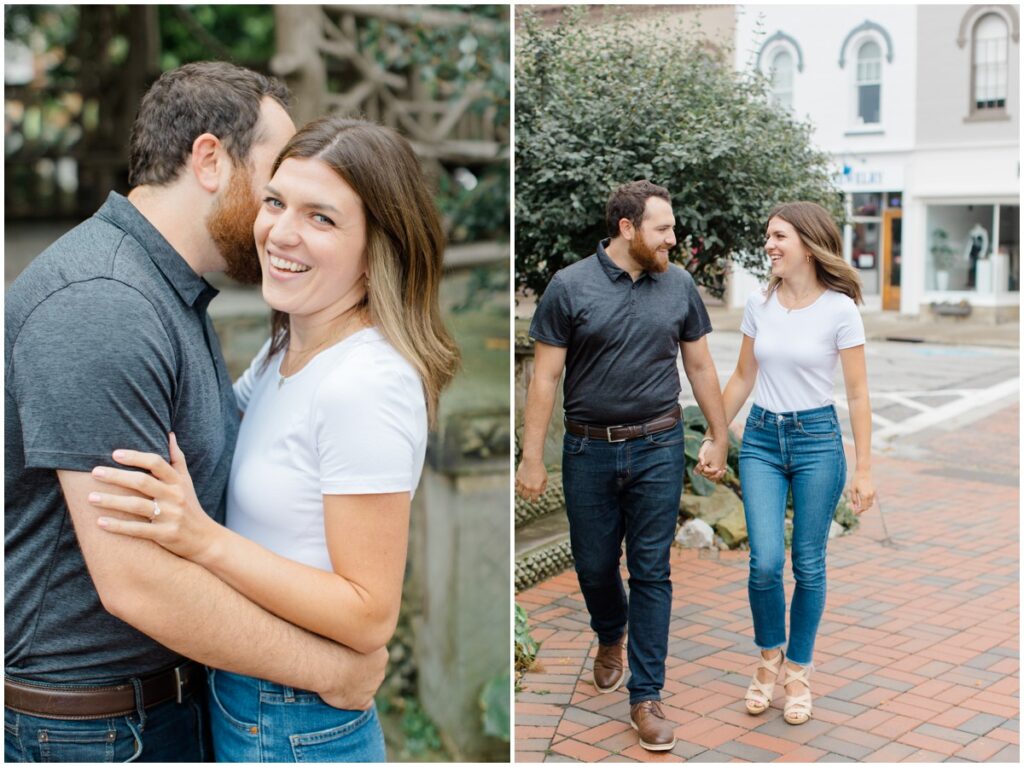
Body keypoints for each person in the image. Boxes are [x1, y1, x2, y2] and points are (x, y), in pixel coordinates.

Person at [4, 63, 387, 763]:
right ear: (210, 159)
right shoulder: (104, 302)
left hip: (156, 708)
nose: (279, 210)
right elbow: (136, 579)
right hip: (96, 729)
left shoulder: (163, 288)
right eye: (274, 185)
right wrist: (332, 670)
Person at [85, 116, 460, 762]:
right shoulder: (288, 345)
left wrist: (204, 539)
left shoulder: (365, 384)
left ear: (378, 248)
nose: (280, 232)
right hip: (250, 695)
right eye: (277, 201)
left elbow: (370, 611)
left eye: (322, 218)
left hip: (296, 721)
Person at [516, 180, 729, 752]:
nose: (673, 238)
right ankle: (610, 631)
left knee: (652, 570)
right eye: (663, 228)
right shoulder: (569, 286)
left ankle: (647, 696)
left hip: (658, 446)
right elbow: (544, 378)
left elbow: (702, 367)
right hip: (588, 449)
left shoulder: (679, 285)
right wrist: (531, 457)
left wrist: (718, 433)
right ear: (628, 228)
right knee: (591, 566)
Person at [706, 201, 876, 725]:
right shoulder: (761, 302)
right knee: (763, 562)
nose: (769, 245)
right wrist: (716, 437)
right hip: (760, 438)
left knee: (808, 564)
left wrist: (865, 468)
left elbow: (858, 394)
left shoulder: (841, 310)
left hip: (817, 442)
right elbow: (740, 377)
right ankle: (767, 659)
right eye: (767, 236)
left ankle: (798, 671)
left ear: (807, 242)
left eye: (778, 236)